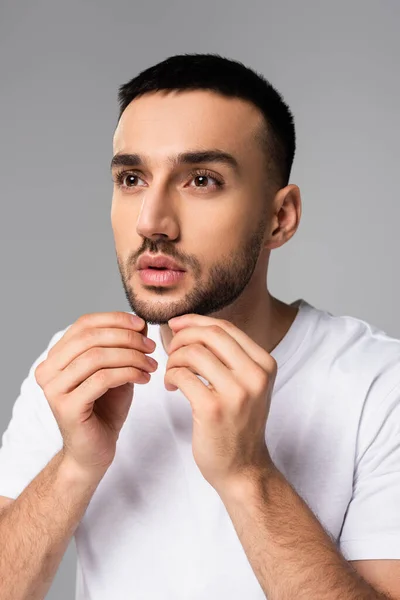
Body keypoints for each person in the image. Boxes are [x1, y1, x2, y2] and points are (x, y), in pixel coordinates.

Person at [0, 53, 399, 600]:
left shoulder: (382, 384)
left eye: (201, 180)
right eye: (132, 178)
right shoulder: (74, 368)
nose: (152, 222)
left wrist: (247, 474)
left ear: (279, 218)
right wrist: (74, 464)